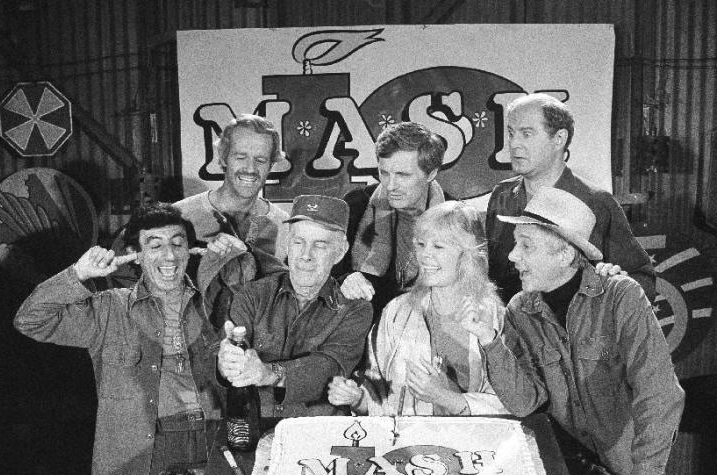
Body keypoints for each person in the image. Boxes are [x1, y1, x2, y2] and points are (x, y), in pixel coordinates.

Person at [466, 187, 683, 475]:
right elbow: (525, 401)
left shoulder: (620, 296)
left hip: (629, 473)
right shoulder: (521, 309)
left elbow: (659, 391)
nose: (512, 255)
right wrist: (491, 341)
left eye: (526, 245)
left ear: (566, 252)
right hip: (568, 470)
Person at [14, 206, 224, 475]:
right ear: (135, 256)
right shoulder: (111, 309)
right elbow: (31, 321)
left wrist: (238, 260)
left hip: (215, 439)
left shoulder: (214, 302)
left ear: (190, 250)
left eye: (177, 242)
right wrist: (77, 274)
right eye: (154, 245)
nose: (168, 255)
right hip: (149, 452)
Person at [328, 201, 525, 417]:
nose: (425, 256)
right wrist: (358, 398)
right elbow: (378, 393)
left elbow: (516, 403)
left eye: (438, 246)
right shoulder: (396, 312)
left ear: (467, 255)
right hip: (407, 445)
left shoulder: (496, 317)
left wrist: (446, 398)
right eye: (421, 244)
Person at [485, 93, 656, 303]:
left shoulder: (596, 202)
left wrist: (616, 284)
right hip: (508, 329)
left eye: (527, 134)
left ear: (559, 138)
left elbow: (642, 281)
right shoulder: (501, 196)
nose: (514, 144)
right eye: (511, 134)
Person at [217, 194, 373, 417]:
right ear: (288, 245)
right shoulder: (252, 295)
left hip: (315, 434)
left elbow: (329, 369)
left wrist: (269, 373)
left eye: (319, 245)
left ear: (340, 252)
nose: (305, 256)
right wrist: (228, 362)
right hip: (253, 427)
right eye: (298, 242)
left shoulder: (354, 308)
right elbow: (233, 355)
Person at [340, 121, 450, 314]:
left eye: (403, 175)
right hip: (365, 326)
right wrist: (345, 278)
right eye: (384, 173)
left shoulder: (454, 217)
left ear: (431, 173)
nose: (390, 186)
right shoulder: (356, 205)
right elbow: (326, 269)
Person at [169, 113, 289, 280]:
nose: (250, 168)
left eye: (260, 160)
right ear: (224, 158)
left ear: (270, 165)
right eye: (240, 157)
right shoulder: (177, 216)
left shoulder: (286, 227)